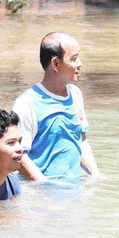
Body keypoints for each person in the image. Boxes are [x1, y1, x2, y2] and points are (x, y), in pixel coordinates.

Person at [12, 32, 99, 181]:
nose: (80, 64)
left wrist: (95, 174)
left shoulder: (76, 95)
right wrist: (45, 185)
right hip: (39, 192)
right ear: (56, 64)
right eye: (74, 59)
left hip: (72, 187)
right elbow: (19, 155)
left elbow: (81, 140)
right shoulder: (26, 103)